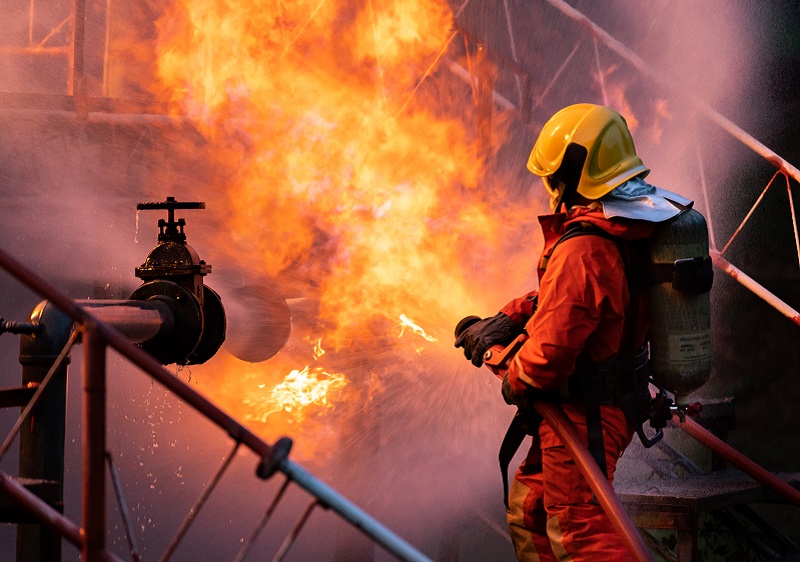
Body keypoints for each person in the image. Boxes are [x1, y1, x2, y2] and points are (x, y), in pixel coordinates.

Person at [455, 103, 693, 561]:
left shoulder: (584, 247)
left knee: (582, 534)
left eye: (552, 177)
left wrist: (501, 358)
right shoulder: (632, 223)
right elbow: (574, 299)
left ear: (571, 172)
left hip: (588, 412)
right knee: (533, 508)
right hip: (610, 399)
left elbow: (543, 364)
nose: (549, 188)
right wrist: (509, 317)